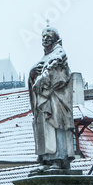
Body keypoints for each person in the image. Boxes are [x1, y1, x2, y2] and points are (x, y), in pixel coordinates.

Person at [28, 26, 75, 171]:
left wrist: (42, 80)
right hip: (44, 99)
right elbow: (37, 76)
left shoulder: (59, 53)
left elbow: (59, 75)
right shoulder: (44, 57)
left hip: (56, 99)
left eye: (49, 36)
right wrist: (32, 75)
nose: (45, 38)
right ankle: (46, 159)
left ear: (55, 38)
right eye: (43, 36)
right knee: (46, 128)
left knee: (58, 126)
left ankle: (59, 158)